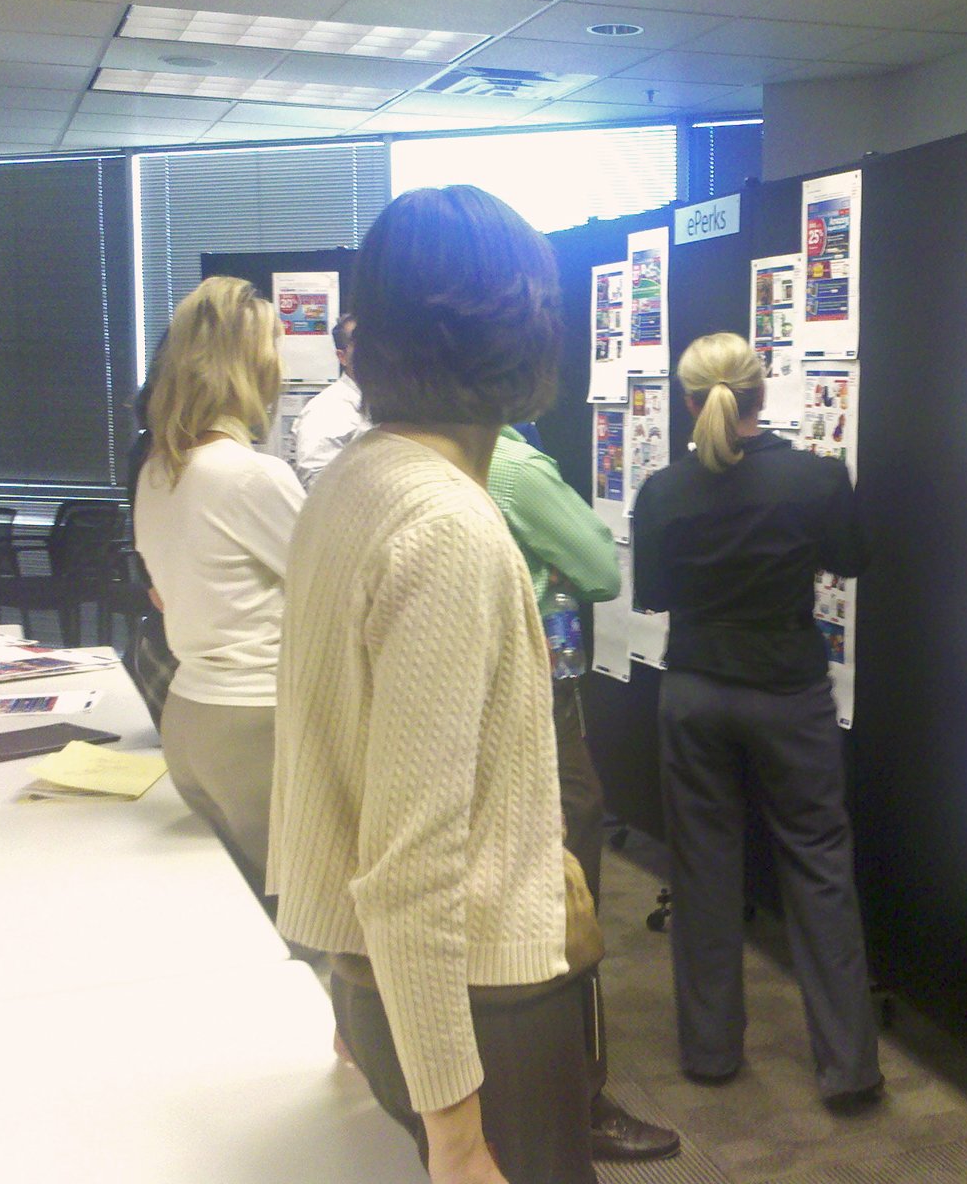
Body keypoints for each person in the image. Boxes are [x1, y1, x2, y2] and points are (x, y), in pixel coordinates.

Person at [271, 186, 594, 1184]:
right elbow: (414, 863)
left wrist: (350, 994)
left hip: (399, 993)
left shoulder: (354, 480)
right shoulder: (447, 527)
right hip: (474, 1012)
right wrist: (457, 1137)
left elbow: (330, 758)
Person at [632, 331, 882, 1112]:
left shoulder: (663, 490)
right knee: (818, 864)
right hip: (788, 694)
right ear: (762, 392)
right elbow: (853, 559)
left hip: (697, 691)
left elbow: (656, 595)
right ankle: (849, 1067)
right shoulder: (814, 479)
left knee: (703, 870)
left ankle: (710, 1053)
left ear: (686, 399)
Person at [486, 425, 682, 1163]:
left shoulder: (393, 451)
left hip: (474, 702)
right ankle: (579, 1100)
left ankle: (529, 1089)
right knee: (569, 884)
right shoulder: (512, 463)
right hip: (534, 698)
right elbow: (600, 565)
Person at [133, 277, 303, 894]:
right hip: (258, 722)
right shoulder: (251, 476)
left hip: (191, 718)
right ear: (254, 365)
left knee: (245, 914)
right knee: (310, 931)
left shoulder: (158, 475)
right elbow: (339, 593)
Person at [291, 311, 369, 488]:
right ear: (342, 357)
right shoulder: (327, 409)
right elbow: (315, 484)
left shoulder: (382, 403)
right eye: (360, 344)